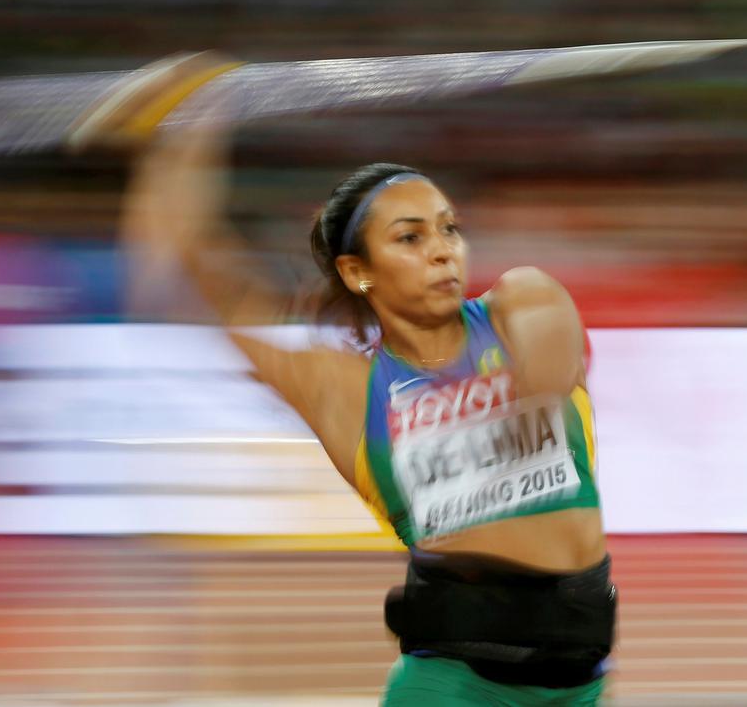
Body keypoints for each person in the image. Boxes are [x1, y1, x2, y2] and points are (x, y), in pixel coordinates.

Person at [121, 97, 615, 706]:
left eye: (448, 227)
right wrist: (183, 130)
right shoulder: (345, 389)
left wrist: (505, 393)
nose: (443, 250)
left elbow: (550, 369)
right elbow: (198, 269)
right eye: (410, 237)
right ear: (358, 272)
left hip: (579, 686)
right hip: (451, 687)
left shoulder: (522, 300)